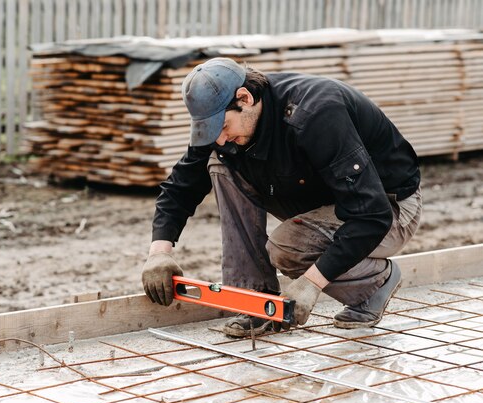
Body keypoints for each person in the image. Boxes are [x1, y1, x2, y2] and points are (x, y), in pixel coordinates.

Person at [141, 57, 422, 337]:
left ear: (245, 98)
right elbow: (181, 186)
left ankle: (376, 282)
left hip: (389, 207)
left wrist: (311, 282)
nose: (221, 138)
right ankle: (254, 299)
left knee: (287, 247)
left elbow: (371, 214)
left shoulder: (316, 114)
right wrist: (159, 253)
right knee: (218, 162)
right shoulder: (223, 127)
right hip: (321, 197)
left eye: (223, 127)